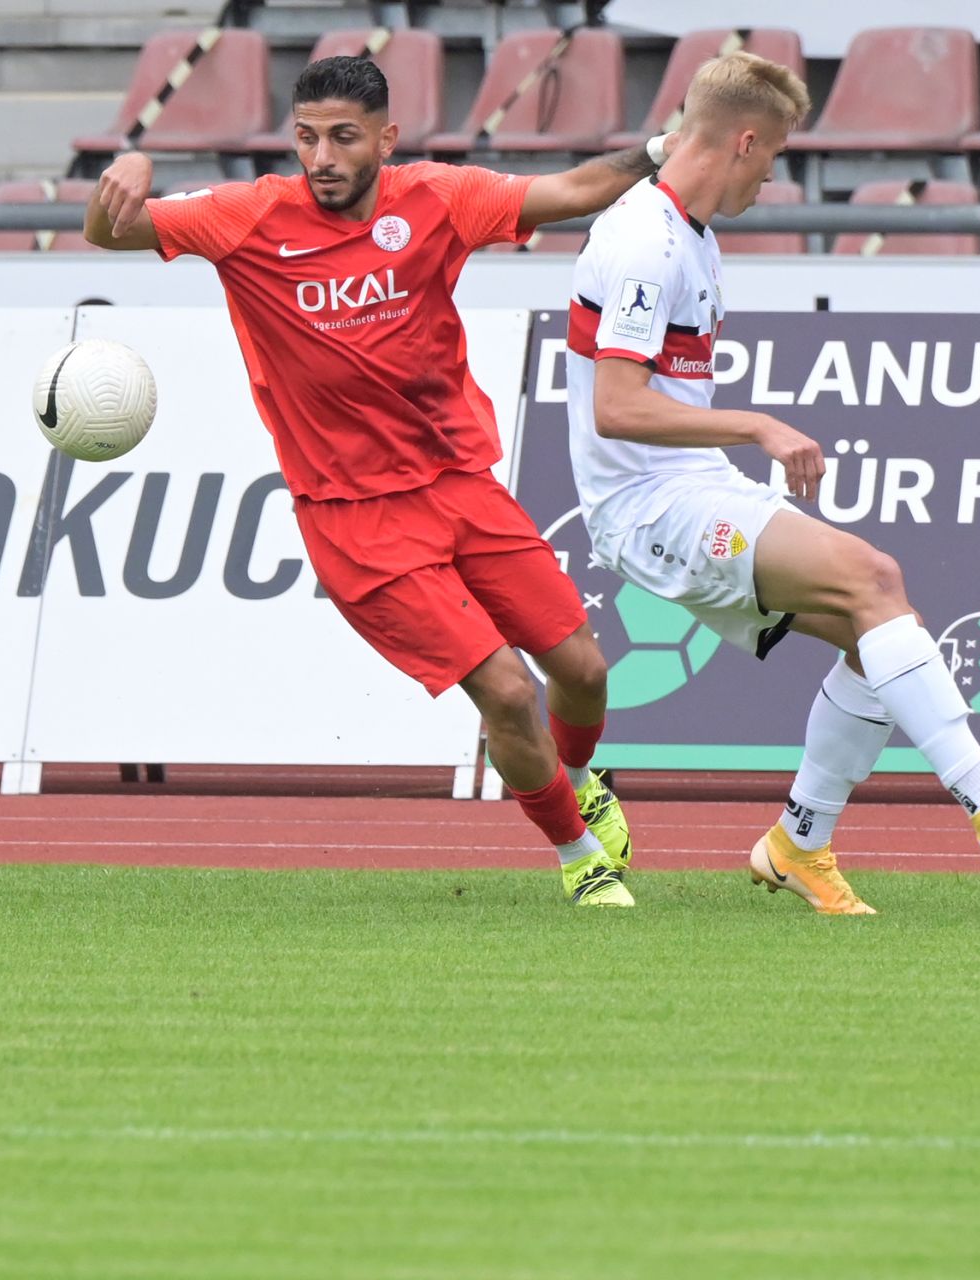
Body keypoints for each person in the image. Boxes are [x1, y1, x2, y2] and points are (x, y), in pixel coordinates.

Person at [84, 56, 659, 907]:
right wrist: (127, 173)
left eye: (344, 138)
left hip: (459, 482)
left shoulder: (436, 197)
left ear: (385, 140)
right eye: (307, 137)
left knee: (582, 669)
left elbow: (574, 190)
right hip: (354, 516)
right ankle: (580, 858)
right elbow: (107, 233)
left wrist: (663, 147)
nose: (322, 156)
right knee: (504, 688)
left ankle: (581, 782)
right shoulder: (246, 218)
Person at [564, 52, 980, 915]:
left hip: (685, 486)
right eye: (773, 155)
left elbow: (682, 142)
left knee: (880, 630)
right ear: (743, 143)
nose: (773, 174)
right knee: (874, 577)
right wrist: (759, 424)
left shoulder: (685, 230)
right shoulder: (643, 244)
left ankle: (798, 844)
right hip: (647, 505)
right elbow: (618, 408)